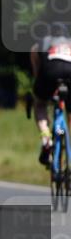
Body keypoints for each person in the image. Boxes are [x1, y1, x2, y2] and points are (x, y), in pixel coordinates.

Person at [31, 27, 71, 168]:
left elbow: (37, 72)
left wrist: (39, 88)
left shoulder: (41, 43)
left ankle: (46, 139)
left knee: (40, 104)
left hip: (49, 73)